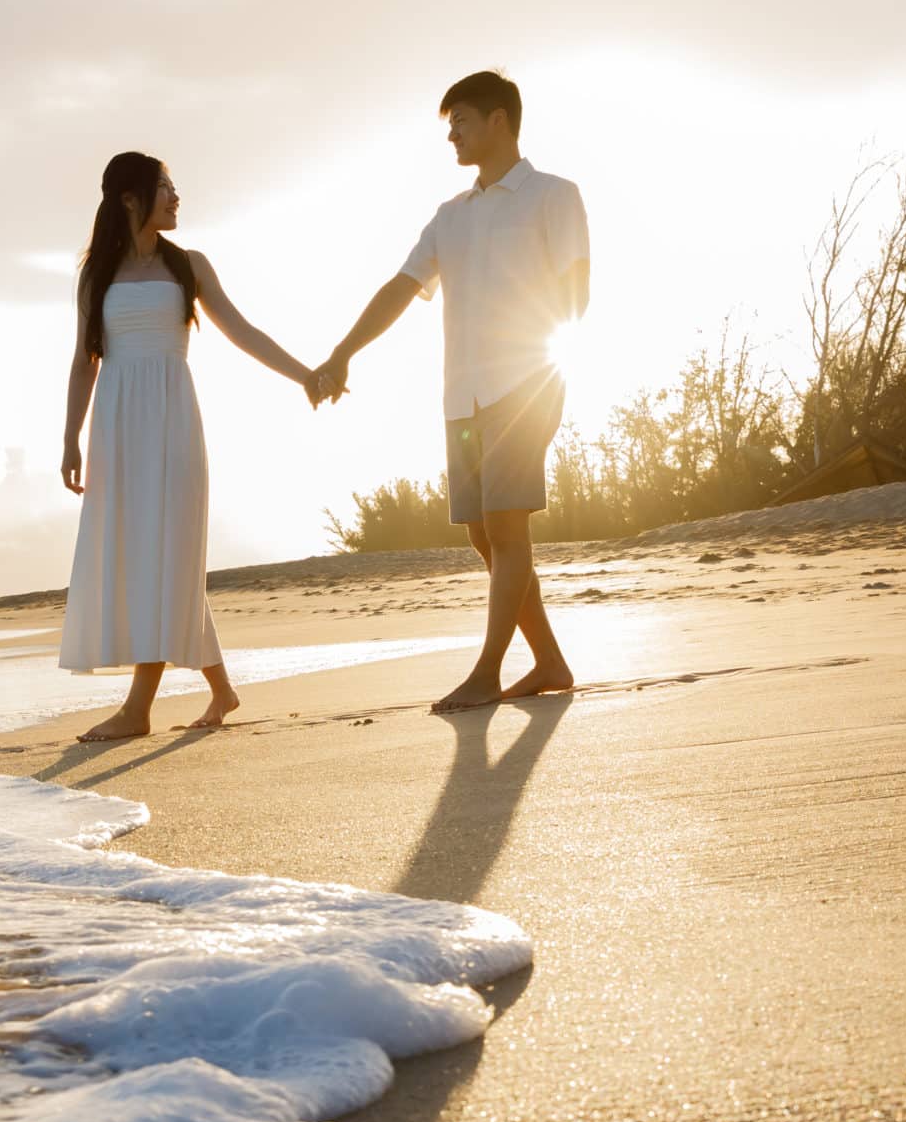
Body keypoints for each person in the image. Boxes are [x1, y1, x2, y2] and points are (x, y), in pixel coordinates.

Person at [314, 70, 588, 712]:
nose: (453, 135)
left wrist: (554, 356)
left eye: (461, 120)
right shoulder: (450, 216)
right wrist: (342, 353)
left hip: (526, 380)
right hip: (461, 393)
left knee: (505, 523)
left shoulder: (555, 195)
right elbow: (400, 288)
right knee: (483, 535)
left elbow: (578, 285)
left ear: (500, 120)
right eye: (448, 125)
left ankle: (488, 671)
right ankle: (548, 661)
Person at [58, 151, 323, 741]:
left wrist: (306, 374)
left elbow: (244, 332)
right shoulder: (95, 274)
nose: (177, 197)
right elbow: (84, 362)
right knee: (150, 556)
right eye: (165, 188)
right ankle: (223, 690)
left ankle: (138, 709)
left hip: (174, 421)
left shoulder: (189, 266)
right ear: (130, 199)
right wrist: (70, 438)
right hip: (117, 425)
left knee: (167, 553)